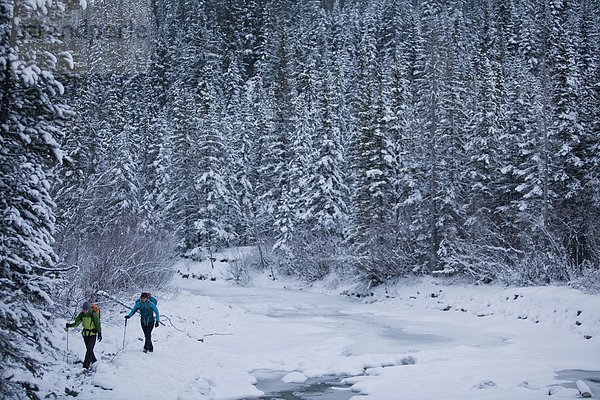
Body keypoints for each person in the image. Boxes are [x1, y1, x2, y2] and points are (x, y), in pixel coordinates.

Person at [65, 301, 102, 369]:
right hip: (85, 334)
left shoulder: (93, 314)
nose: (84, 311)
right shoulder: (81, 315)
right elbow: (76, 323)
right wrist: (69, 325)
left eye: (86, 310)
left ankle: (85, 366)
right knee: (89, 350)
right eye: (83, 309)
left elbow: (98, 324)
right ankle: (94, 362)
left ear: (89, 309)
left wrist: (99, 332)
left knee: (89, 350)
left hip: (92, 334)